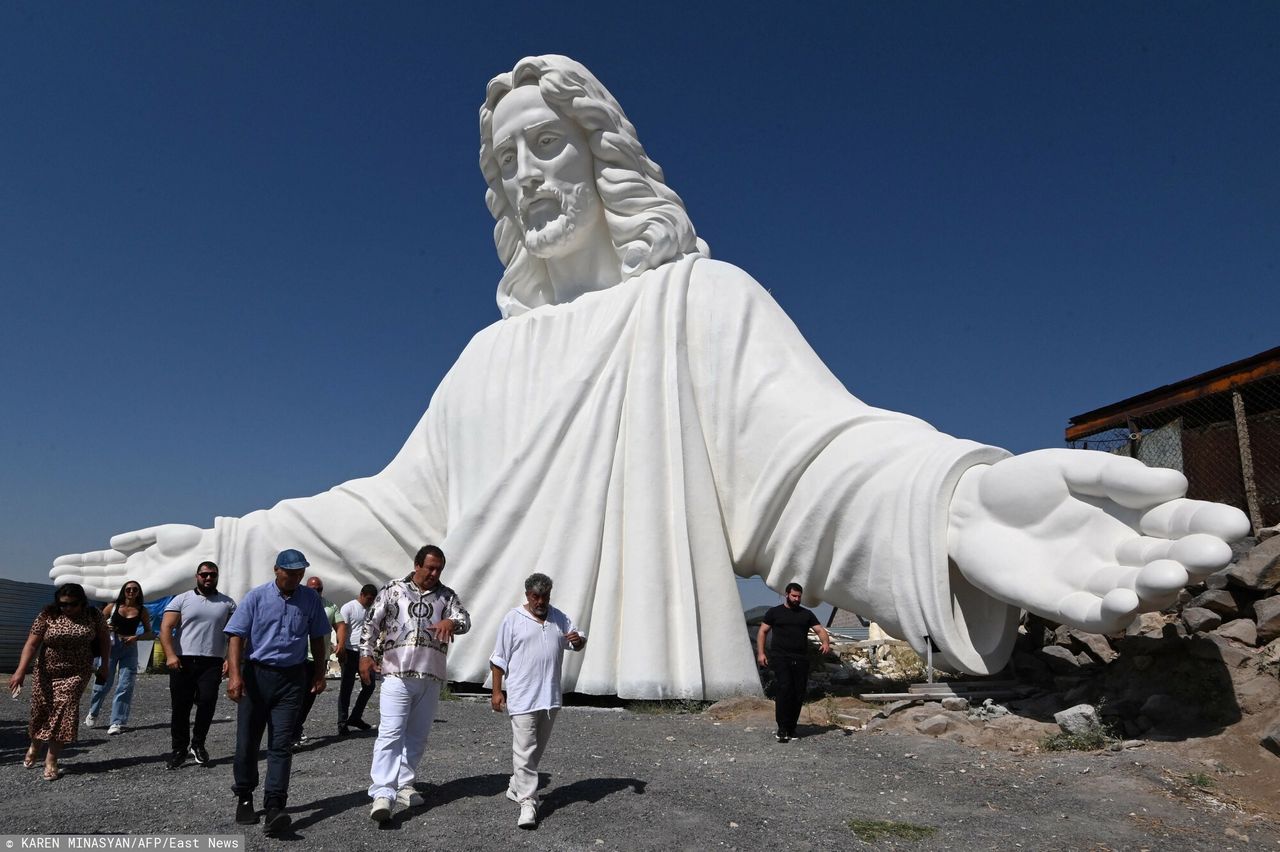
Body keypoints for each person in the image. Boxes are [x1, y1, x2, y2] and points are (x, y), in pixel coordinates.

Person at [51, 55, 1250, 700]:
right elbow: (392, 513)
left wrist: (950, 498)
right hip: (493, 673)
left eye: (546, 149)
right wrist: (231, 537)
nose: (525, 179)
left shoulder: (699, 301)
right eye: (503, 163)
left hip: (654, 672)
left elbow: (806, 460)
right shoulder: (486, 356)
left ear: (600, 158)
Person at [223, 549, 330, 836]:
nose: (296, 578)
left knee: (281, 743)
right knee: (247, 740)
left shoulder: (310, 600)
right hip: (256, 676)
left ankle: (274, 806)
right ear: (276, 570)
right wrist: (235, 676)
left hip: (291, 679)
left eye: (300, 573)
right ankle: (245, 795)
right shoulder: (256, 597)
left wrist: (320, 673)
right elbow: (236, 636)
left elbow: (318, 637)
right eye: (290, 573)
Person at [360, 545, 470, 822]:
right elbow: (370, 624)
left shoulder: (447, 596)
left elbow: (465, 620)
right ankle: (383, 792)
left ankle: (404, 784)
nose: (434, 573)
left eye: (439, 569)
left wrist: (449, 621)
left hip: (431, 677)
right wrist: (365, 656)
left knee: (417, 735)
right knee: (391, 732)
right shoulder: (393, 589)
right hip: (397, 674)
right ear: (417, 564)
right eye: (430, 567)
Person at [490, 572, 585, 829]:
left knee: (535, 750)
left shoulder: (558, 617)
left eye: (545, 596)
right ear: (527, 596)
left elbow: (576, 639)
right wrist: (497, 692)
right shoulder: (513, 619)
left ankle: (515, 786)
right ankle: (529, 802)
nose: (540, 601)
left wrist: (578, 641)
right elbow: (498, 659)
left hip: (550, 698)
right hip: (522, 696)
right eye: (536, 596)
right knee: (524, 750)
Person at [7, 584, 109, 780]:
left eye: (72, 604)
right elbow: (32, 643)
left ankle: (51, 759)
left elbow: (105, 640)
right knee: (42, 710)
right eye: (63, 604)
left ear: (82, 602)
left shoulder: (93, 615)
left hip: (77, 671)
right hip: (47, 670)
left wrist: (104, 665)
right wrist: (20, 671)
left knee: (65, 710)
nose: (67, 608)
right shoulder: (48, 614)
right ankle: (35, 745)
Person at [159, 560, 237, 769]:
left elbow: (234, 636)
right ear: (197, 576)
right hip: (183, 659)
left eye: (212, 575)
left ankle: (198, 743)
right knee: (181, 707)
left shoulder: (227, 603)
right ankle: (179, 749)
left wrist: (230, 660)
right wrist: (170, 655)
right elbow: (166, 628)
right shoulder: (182, 599)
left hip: (212, 661)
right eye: (204, 575)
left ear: (217, 577)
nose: (208, 578)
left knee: (207, 701)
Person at [756, 583, 831, 743]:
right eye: (794, 596)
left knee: (798, 692)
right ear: (787, 595)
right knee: (785, 689)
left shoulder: (806, 614)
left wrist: (825, 642)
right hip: (781, 657)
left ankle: (792, 727)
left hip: (801, 658)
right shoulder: (774, 612)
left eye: (799, 596)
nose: (797, 599)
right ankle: (782, 728)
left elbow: (820, 630)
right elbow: (762, 631)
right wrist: (761, 653)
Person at [85, 579, 154, 735]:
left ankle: (117, 722)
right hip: (110, 646)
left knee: (125, 685)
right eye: (128, 589)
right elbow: (95, 623)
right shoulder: (113, 606)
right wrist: (105, 627)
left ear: (139, 593)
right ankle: (93, 711)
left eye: (135, 590)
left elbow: (150, 633)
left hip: (129, 647)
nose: (131, 592)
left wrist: (136, 637)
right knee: (103, 683)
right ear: (124, 591)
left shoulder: (142, 610)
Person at [291, 576, 345, 747]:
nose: (316, 592)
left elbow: (340, 624)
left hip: (318, 659)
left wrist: (341, 644)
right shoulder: (298, 602)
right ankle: (291, 732)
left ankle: (295, 729)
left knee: (310, 695)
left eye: (319, 589)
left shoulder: (329, 606)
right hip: (298, 656)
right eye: (312, 589)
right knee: (296, 696)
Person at [337, 583, 377, 735]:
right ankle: (342, 722)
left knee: (369, 685)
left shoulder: (370, 610)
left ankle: (355, 717)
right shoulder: (349, 608)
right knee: (346, 688)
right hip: (350, 651)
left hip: (364, 653)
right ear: (361, 595)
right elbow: (342, 629)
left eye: (372, 599)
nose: (369, 602)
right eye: (368, 599)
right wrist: (341, 648)